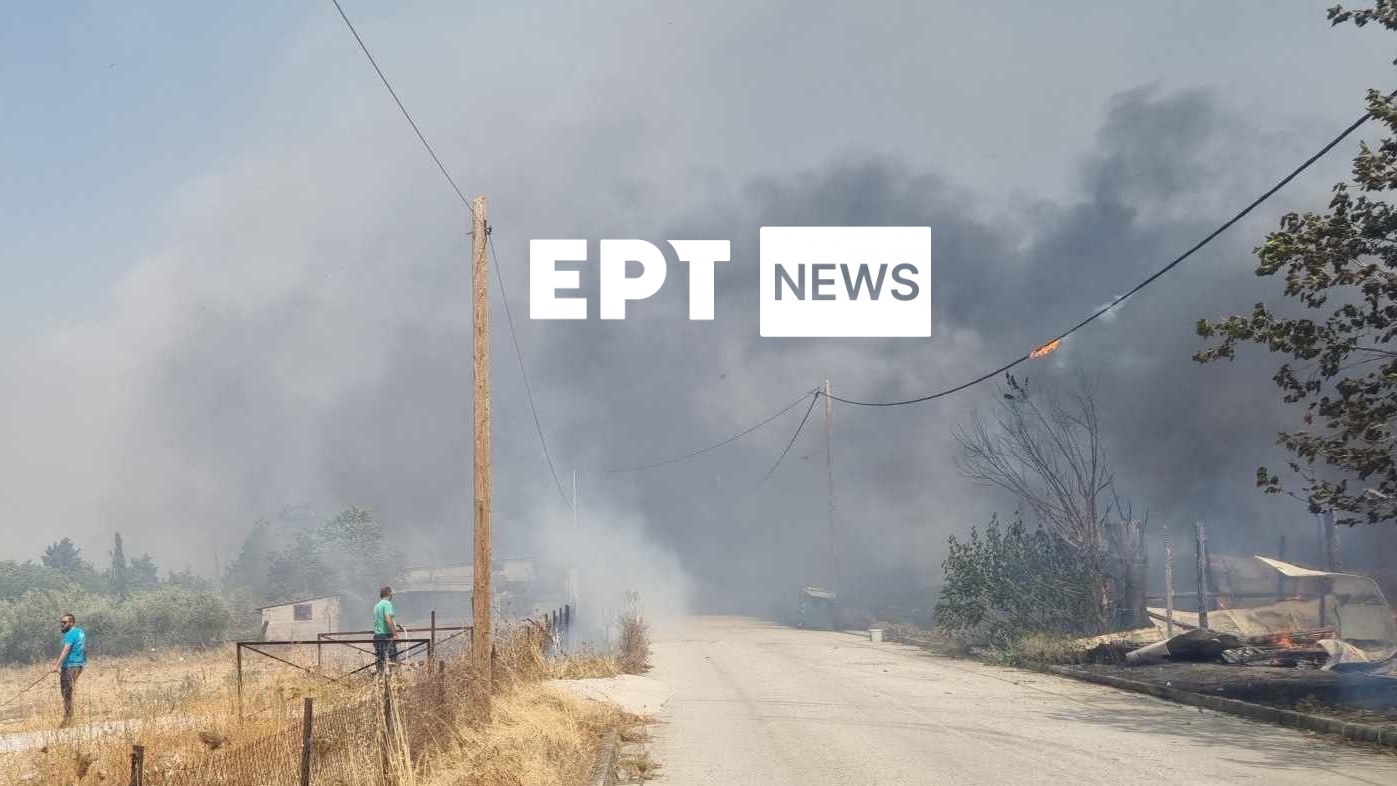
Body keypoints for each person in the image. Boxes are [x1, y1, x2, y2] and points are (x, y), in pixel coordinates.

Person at [50, 612, 85, 727]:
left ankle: (68, 719)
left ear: (72, 622)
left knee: (66, 692)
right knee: (67, 691)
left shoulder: (70, 634)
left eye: (64, 622)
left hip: (70, 665)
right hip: (79, 665)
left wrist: (56, 665)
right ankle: (69, 717)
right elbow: (82, 648)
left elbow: (66, 649)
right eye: (61, 622)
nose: (62, 624)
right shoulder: (80, 632)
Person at [373, 586, 405, 675]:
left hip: (377, 636)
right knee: (394, 659)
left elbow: (383, 619)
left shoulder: (377, 605)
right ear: (389, 594)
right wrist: (394, 634)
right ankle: (397, 679)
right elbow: (387, 619)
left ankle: (380, 680)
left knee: (380, 660)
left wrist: (397, 624)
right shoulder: (387, 604)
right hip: (386, 636)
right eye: (392, 593)